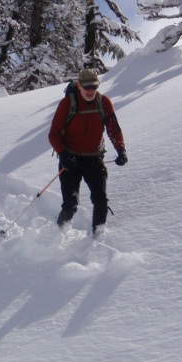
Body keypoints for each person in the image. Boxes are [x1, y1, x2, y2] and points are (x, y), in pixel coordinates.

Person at [48, 68, 128, 237]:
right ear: (79, 85)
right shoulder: (67, 104)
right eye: (87, 86)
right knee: (70, 204)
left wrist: (121, 150)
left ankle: (98, 237)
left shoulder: (104, 103)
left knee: (101, 200)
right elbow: (53, 134)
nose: (91, 90)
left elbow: (114, 129)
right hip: (71, 160)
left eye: (94, 86)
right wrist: (63, 154)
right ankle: (56, 235)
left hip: (94, 159)